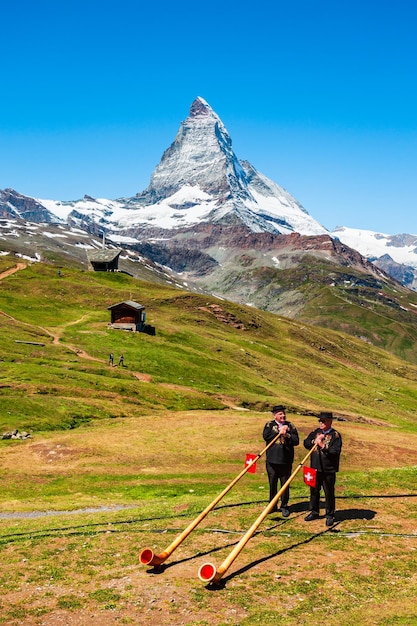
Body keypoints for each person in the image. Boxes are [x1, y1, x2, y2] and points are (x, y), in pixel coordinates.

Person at [303, 411, 342, 526]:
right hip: (315, 467)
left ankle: (330, 514)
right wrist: (314, 441)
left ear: (330, 422)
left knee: (329, 492)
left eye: (323, 421)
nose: (321, 423)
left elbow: (335, 451)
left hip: (328, 468)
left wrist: (322, 445)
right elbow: (306, 443)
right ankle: (314, 511)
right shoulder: (316, 432)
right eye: (320, 420)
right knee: (314, 491)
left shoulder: (335, 435)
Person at [263, 405, 299, 517]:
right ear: (275, 415)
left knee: (284, 485)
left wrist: (286, 434)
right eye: (280, 414)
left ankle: (284, 505)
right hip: (272, 461)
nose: (283, 415)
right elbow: (266, 436)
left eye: (283, 413)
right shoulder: (269, 425)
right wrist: (278, 431)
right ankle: (272, 505)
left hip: (286, 461)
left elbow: (296, 441)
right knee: (272, 483)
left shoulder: (290, 425)